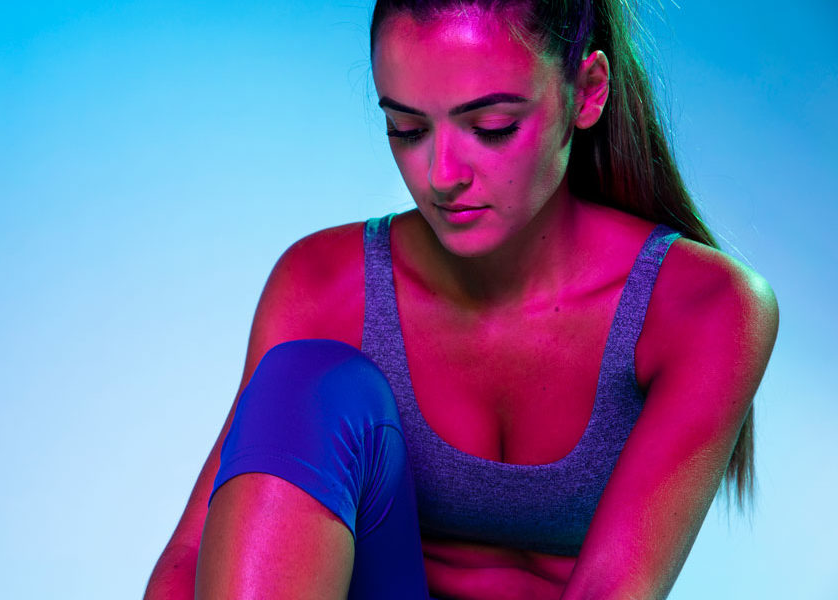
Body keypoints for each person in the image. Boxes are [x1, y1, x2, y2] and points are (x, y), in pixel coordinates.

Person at [144, 0, 778, 598]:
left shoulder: (704, 307)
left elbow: (610, 590)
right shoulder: (323, 287)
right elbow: (188, 564)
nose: (441, 175)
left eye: (491, 127)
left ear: (587, 92)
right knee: (312, 384)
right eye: (408, 129)